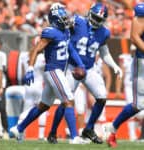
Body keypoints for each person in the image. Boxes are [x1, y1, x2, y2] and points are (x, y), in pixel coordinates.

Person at [10, 3, 87, 144]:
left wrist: (80, 64)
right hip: (53, 71)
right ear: (55, 19)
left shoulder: (66, 31)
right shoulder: (50, 32)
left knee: (43, 106)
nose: (65, 19)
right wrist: (30, 68)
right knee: (68, 100)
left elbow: (71, 49)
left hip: (58, 72)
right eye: (62, 16)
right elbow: (36, 50)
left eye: (65, 16)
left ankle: (19, 128)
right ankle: (74, 137)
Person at [47, 2, 122, 144]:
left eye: (99, 20)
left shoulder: (104, 32)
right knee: (66, 101)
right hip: (72, 67)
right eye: (95, 17)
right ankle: (53, 132)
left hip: (89, 69)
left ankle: (89, 129)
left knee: (102, 97)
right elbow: (63, 33)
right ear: (89, 13)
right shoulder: (77, 21)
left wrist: (114, 66)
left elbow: (104, 52)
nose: (96, 21)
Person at [105, 3, 144, 148]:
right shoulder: (141, 13)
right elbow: (134, 37)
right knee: (138, 105)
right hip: (142, 61)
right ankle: (112, 129)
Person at [6, 51, 47, 140]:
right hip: (39, 85)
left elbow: (23, 71)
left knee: (27, 109)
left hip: (28, 85)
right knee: (42, 108)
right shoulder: (42, 57)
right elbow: (46, 70)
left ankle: (20, 133)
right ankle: (41, 135)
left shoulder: (25, 56)